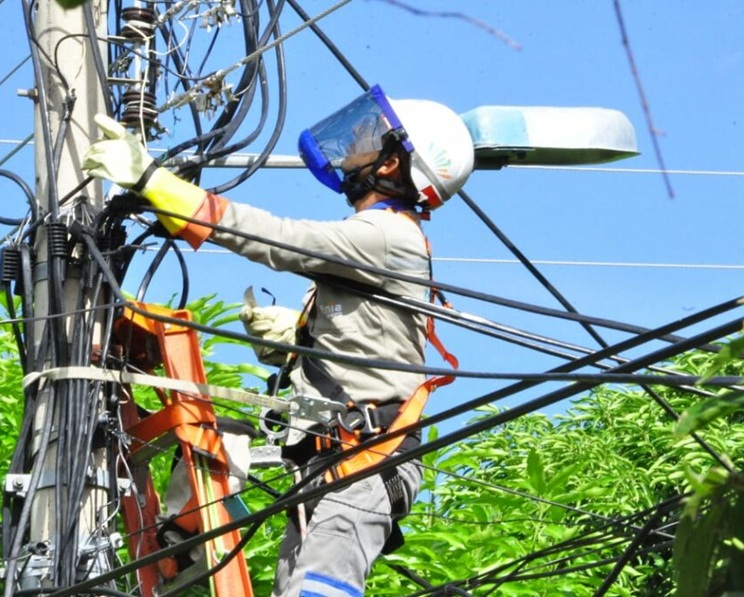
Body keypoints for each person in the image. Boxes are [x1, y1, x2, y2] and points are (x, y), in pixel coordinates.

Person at [83, 84, 475, 596]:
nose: (355, 140)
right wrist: (294, 338)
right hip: (323, 467)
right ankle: (182, 539)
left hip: (362, 462)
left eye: (368, 135)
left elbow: (278, 237)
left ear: (390, 164)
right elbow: (366, 345)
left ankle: (182, 541)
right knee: (220, 436)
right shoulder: (373, 240)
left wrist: (159, 185)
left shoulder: (387, 234)